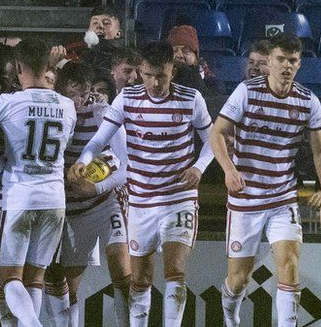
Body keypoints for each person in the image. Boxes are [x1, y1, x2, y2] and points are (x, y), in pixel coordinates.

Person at [70, 41, 214, 327]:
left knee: (174, 270)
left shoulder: (191, 98)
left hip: (179, 198)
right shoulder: (127, 98)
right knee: (140, 278)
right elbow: (99, 140)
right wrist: (84, 159)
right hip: (141, 200)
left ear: (172, 69)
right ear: (140, 71)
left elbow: (212, 141)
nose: (155, 82)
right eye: (148, 75)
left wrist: (199, 167)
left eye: (161, 75)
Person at [210, 33, 321, 327]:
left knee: (289, 266)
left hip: (282, 197)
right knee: (240, 279)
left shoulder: (307, 101)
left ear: (299, 64)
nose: (286, 65)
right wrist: (229, 169)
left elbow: (320, 152)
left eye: (292, 60)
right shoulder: (247, 92)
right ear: (270, 62)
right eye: (280, 59)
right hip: (245, 198)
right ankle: (230, 313)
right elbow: (217, 134)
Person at [0, 38, 77, 327]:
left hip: (18, 197)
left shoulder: (8, 103)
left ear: (17, 68)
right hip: (54, 199)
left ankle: (31, 325)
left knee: (9, 277)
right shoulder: (67, 106)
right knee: (36, 277)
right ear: (48, 66)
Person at [43, 61, 130, 327]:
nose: (78, 101)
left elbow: (130, 166)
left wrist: (97, 186)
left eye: (83, 93)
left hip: (106, 202)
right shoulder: (51, 114)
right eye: (72, 94)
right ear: (59, 91)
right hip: (71, 208)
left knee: (122, 271)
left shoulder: (102, 113)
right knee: (70, 285)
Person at [168, 25, 225, 97]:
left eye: (186, 51)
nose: (179, 55)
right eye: (174, 51)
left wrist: (189, 74)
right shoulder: (158, 80)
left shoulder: (213, 85)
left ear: (196, 58)